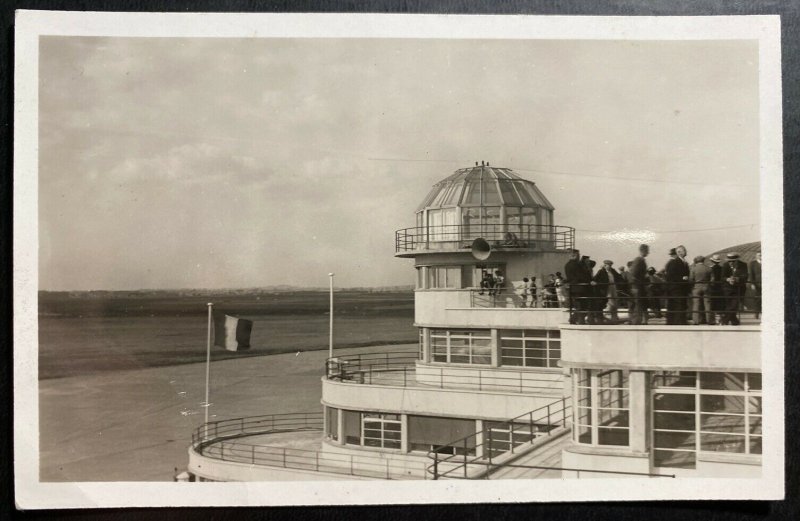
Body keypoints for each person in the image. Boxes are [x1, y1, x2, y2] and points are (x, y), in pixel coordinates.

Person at [565, 249, 593, 324]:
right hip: (580, 288)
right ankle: (579, 321)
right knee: (583, 305)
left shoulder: (567, 265)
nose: (579, 256)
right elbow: (581, 276)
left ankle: (575, 319)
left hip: (574, 288)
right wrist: (590, 281)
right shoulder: (576, 264)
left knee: (579, 305)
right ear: (575, 255)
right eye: (578, 255)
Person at [721, 252, 748, 325]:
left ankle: (724, 320)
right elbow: (722, 277)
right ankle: (734, 321)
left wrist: (736, 279)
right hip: (728, 288)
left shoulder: (743, 265)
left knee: (734, 305)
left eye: (733, 261)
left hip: (739, 288)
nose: (731, 263)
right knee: (730, 305)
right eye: (729, 261)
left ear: (737, 260)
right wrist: (728, 279)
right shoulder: (725, 265)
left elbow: (745, 276)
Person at [665, 247, 690, 325]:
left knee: (681, 305)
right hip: (676, 288)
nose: (686, 251)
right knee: (678, 305)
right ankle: (679, 323)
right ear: (679, 252)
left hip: (681, 288)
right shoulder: (675, 262)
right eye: (684, 250)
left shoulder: (683, 262)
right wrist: (682, 278)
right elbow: (671, 275)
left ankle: (680, 322)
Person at [689, 255, 715, 325]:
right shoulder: (709, 268)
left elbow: (691, 279)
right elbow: (712, 279)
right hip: (706, 287)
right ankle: (709, 320)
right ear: (703, 261)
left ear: (696, 261)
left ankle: (696, 320)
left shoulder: (693, 269)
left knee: (696, 304)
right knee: (707, 304)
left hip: (696, 287)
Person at [629, 244, 650, 325]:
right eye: (647, 251)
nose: (648, 253)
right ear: (643, 251)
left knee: (640, 304)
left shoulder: (640, 260)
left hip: (639, 286)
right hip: (638, 287)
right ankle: (636, 322)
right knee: (638, 304)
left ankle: (638, 321)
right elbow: (633, 274)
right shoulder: (639, 260)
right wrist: (636, 285)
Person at [708, 254, 724, 324]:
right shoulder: (722, 268)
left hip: (713, 288)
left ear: (712, 261)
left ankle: (714, 319)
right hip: (721, 288)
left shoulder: (710, 269)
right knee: (720, 304)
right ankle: (720, 319)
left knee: (713, 304)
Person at [749, 251, 762, 319]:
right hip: (757, 284)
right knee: (757, 299)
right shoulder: (752, 263)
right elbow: (751, 274)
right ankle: (756, 313)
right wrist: (752, 283)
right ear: (756, 256)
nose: (760, 256)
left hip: (766, 284)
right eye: (759, 255)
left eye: (761, 255)